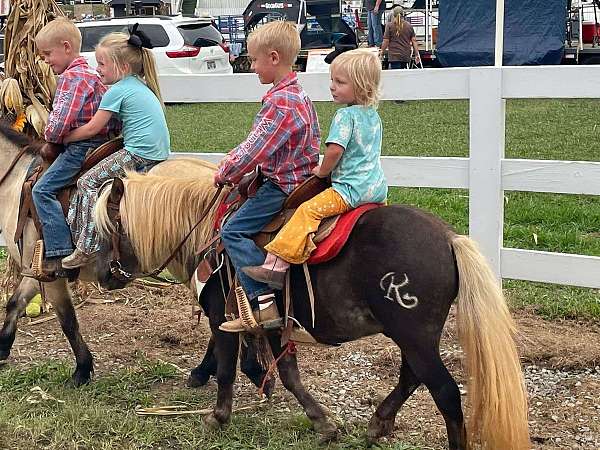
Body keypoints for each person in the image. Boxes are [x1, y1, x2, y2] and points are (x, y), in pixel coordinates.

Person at [243, 49, 387, 290]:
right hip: (377, 189)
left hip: (350, 190)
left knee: (307, 211)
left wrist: (322, 172)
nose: (332, 86)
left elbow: (334, 151)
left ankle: (275, 267)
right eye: (332, 80)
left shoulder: (345, 116)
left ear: (362, 87)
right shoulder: (373, 116)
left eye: (340, 82)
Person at [216, 21, 320, 333]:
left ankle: (263, 302)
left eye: (253, 59)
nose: (251, 66)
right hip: (299, 175)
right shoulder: (297, 94)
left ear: (273, 58)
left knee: (232, 230)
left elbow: (254, 148)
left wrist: (226, 172)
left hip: (285, 184)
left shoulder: (280, 102)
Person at [60, 25, 170, 269]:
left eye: (101, 64)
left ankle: (85, 247)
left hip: (138, 153)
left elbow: (91, 129)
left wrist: (65, 138)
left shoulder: (117, 91)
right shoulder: (140, 85)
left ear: (122, 67)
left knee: (86, 182)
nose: (97, 69)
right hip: (156, 153)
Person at [31, 18, 114, 276]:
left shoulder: (72, 78)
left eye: (47, 54)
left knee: (42, 190)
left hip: (81, 146)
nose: (45, 60)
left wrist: (50, 137)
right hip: (100, 142)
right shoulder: (91, 73)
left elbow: (59, 122)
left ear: (66, 47)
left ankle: (59, 252)